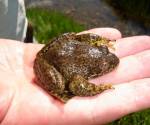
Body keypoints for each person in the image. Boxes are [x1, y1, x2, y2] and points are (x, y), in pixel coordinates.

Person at [0, 28, 150, 125]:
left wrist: (99, 42)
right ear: (96, 70)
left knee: (70, 37)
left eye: (104, 50)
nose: (111, 61)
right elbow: (76, 86)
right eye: (104, 66)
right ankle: (57, 92)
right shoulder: (84, 72)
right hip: (52, 66)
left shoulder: (93, 50)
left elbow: (83, 38)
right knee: (60, 86)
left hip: (57, 51)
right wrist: (98, 89)